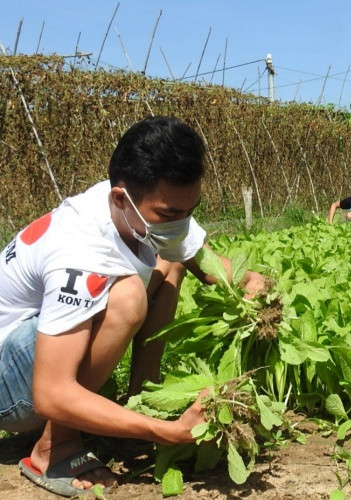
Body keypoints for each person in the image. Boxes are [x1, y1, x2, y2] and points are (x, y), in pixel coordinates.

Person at [0, 116, 268, 496]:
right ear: (121, 199)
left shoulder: (139, 208)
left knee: (169, 260)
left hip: (30, 352)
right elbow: (50, 392)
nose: (182, 223)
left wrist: (253, 283)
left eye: (189, 209)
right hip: (6, 383)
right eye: (170, 214)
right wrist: (168, 432)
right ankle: (52, 448)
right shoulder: (79, 249)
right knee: (126, 296)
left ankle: (141, 394)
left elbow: (201, 261)